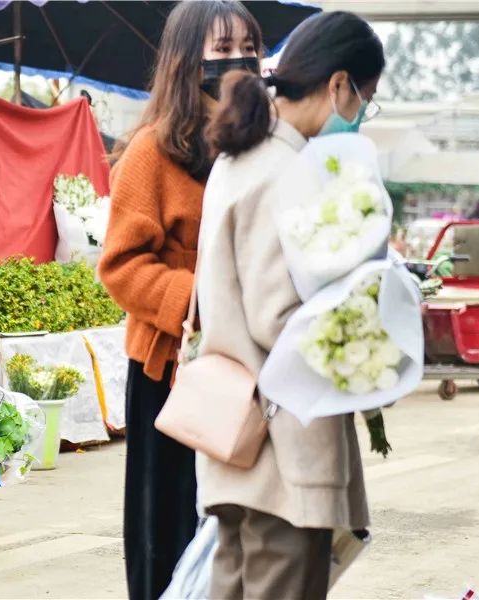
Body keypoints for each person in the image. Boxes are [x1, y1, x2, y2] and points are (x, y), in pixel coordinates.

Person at [198, 11, 385, 599]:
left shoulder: (238, 159)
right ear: (338, 85)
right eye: (365, 100)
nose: (358, 116)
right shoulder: (286, 172)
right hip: (284, 450)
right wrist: (370, 333)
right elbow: (278, 317)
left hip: (237, 440)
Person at [96, 2, 262, 598]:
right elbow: (119, 266)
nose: (238, 61)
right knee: (167, 520)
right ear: (186, 61)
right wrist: (203, 295)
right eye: (220, 51)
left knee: (241, 516)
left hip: (253, 358)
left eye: (247, 46)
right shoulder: (153, 151)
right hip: (173, 366)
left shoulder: (264, 146)